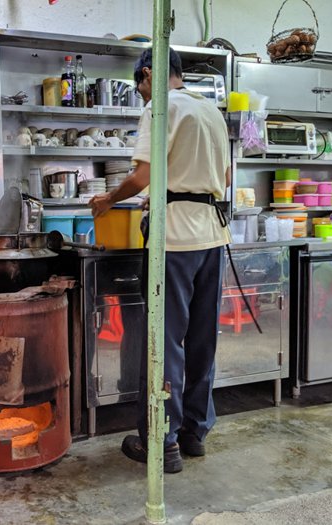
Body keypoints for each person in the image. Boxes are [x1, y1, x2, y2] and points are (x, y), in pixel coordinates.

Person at [90, 47, 231, 474]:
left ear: (149, 74)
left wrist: (107, 200)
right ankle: (195, 433)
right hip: (212, 236)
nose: (142, 94)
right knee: (203, 340)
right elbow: (224, 178)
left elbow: (141, 176)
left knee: (164, 341)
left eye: (140, 86)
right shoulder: (212, 111)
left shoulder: (159, 108)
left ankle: (162, 442)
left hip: (174, 240)